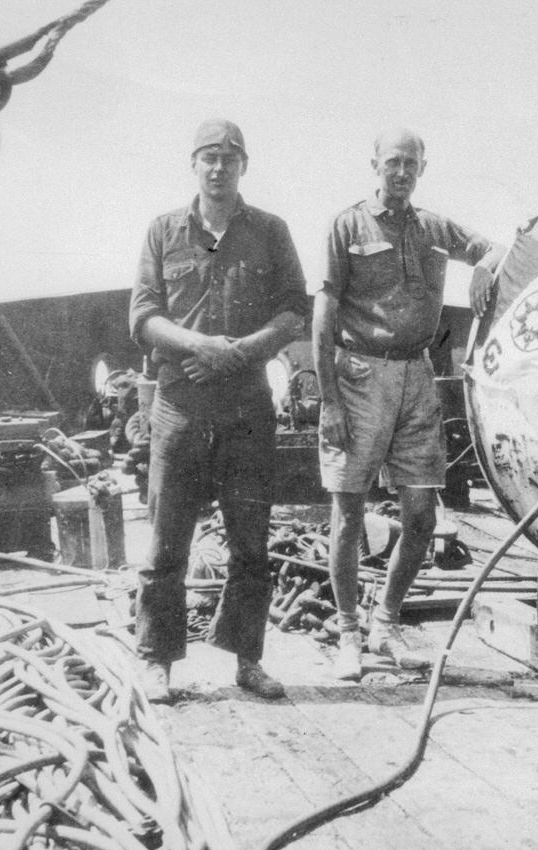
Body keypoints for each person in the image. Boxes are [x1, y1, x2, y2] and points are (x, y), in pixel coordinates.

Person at [313, 127, 505, 681]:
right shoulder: (346, 225)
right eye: (392, 162)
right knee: (348, 512)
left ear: (423, 167)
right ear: (374, 163)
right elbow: (324, 312)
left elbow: (493, 247)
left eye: (411, 163)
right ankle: (348, 631)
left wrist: (486, 269)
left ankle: (386, 623)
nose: (401, 172)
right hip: (358, 376)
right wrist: (329, 400)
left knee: (420, 515)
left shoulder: (434, 228)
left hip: (418, 376)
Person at [129, 118, 308, 702]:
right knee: (166, 543)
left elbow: (291, 314)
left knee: (251, 541)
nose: (218, 167)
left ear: (243, 166)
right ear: (194, 165)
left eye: (229, 158)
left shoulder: (270, 231)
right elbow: (144, 316)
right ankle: (157, 660)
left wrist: (238, 354)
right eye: (208, 157)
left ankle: (247, 660)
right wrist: (198, 346)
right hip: (180, 404)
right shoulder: (162, 232)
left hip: (246, 406)